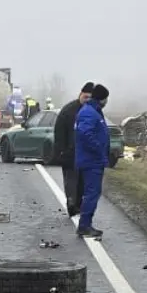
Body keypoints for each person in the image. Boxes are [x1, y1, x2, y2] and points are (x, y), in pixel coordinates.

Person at [74, 83, 110, 239]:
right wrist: (98, 148)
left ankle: (86, 224)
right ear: (102, 98)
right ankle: (84, 226)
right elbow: (85, 133)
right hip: (91, 160)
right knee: (91, 193)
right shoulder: (90, 112)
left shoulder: (94, 111)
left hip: (94, 159)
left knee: (92, 192)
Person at [54, 82, 94, 217]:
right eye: (85, 97)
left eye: (90, 98)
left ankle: (78, 204)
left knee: (82, 181)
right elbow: (59, 131)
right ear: (80, 95)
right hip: (69, 152)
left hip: (86, 153)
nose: (87, 100)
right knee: (71, 180)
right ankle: (71, 203)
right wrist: (61, 150)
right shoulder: (68, 110)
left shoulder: (93, 111)